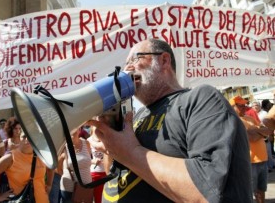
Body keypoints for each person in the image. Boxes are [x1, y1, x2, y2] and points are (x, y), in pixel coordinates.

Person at [87, 38, 253, 202]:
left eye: (135, 59)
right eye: (125, 64)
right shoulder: (136, 116)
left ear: (164, 60)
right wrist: (108, 143)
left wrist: (131, 151)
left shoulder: (200, 99)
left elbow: (204, 190)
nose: (127, 68)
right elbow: (116, 174)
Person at [0, 131, 54, 203]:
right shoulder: (11, 157)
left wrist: (49, 184)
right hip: (20, 200)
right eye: (24, 136)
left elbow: (51, 168)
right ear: (19, 138)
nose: (27, 140)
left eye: (30, 137)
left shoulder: (42, 155)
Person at [230, 96, 272, 203]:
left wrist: (257, 132)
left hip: (262, 159)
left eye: (245, 105)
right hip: (249, 161)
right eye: (241, 105)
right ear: (232, 106)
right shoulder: (234, 121)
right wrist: (260, 132)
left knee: (261, 189)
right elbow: (250, 137)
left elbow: (268, 131)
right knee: (249, 192)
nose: (245, 107)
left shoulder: (250, 118)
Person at [59, 126, 92, 203]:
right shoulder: (64, 147)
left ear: (79, 129)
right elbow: (58, 167)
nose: (72, 130)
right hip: (69, 189)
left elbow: (88, 161)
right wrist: (66, 175)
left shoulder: (86, 143)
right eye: (69, 129)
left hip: (87, 187)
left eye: (74, 127)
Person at [87, 125, 106, 203]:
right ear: (92, 127)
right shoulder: (88, 141)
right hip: (94, 174)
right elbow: (86, 160)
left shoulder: (105, 138)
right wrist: (93, 161)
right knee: (96, 199)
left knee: (104, 199)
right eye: (95, 125)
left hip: (106, 173)